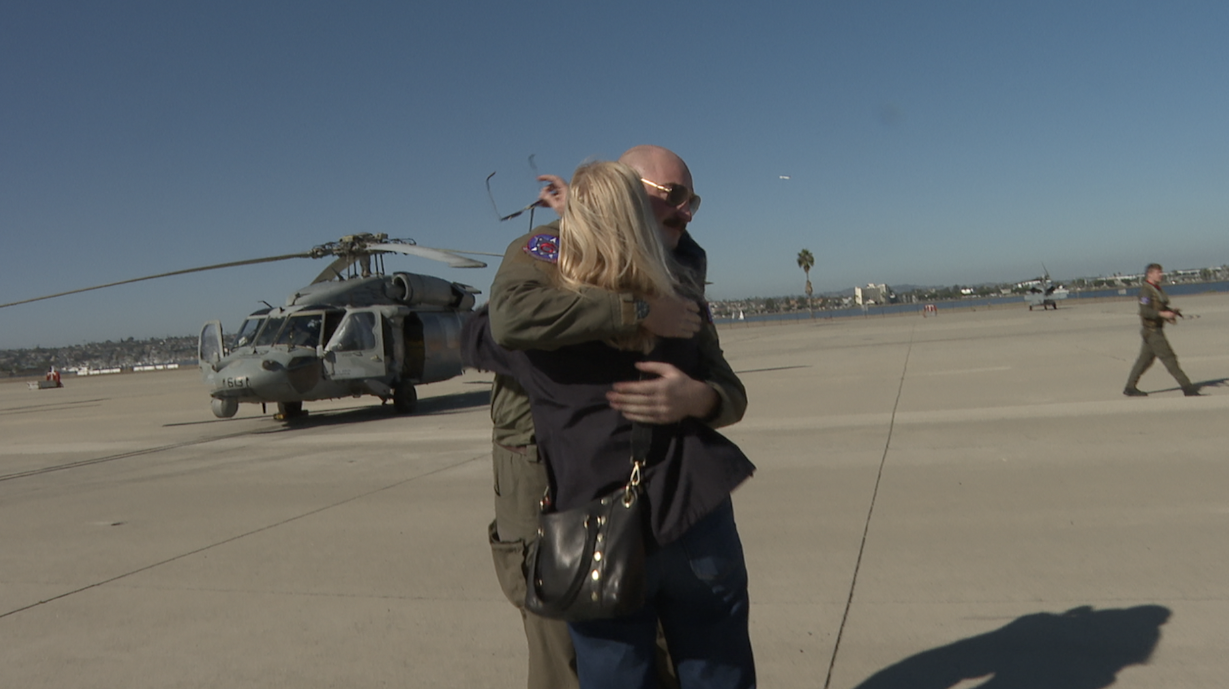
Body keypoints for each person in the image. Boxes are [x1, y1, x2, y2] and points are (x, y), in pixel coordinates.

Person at [464, 160, 756, 689]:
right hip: (583, 506)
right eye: (673, 195)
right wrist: (639, 310)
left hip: (614, 512)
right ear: (631, 196)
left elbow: (486, 332)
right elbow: (511, 320)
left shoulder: (677, 283)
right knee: (578, 659)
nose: (687, 211)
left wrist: (697, 398)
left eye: (692, 200)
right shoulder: (652, 294)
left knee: (624, 662)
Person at [1123, 263, 1200, 397]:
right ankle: (1188, 388)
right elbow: (1145, 311)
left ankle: (1130, 387)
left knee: (1144, 361)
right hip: (1152, 332)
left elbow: (1160, 306)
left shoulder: (1156, 289)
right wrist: (1163, 315)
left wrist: (1171, 312)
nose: (1161, 275)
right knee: (1169, 359)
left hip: (1154, 330)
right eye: (1158, 272)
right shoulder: (1146, 291)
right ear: (1150, 274)